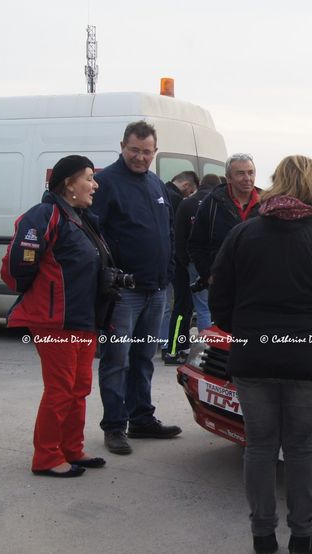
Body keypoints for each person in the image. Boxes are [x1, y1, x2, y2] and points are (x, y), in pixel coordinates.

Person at [209, 155, 312, 554]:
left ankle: (263, 536)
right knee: (299, 448)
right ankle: (302, 537)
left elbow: (219, 300)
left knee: (259, 447)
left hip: (254, 359)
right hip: (309, 362)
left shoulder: (244, 235)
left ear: (277, 184)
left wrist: (244, 331)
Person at [0, 156, 112, 477]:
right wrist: (45, 295)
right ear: (68, 184)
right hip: (56, 321)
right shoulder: (46, 214)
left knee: (79, 388)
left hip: (84, 318)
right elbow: (21, 264)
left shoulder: (82, 218)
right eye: (89, 178)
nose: (95, 185)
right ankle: (47, 457)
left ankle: (71, 449)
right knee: (60, 389)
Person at [90, 120, 182, 455]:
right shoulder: (105, 183)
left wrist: (167, 272)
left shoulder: (156, 184)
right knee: (117, 360)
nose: (140, 157)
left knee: (144, 358)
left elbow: (168, 232)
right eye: (134, 150)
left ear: (154, 152)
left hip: (156, 289)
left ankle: (141, 418)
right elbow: (92, 237)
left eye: (146, 151)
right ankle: (115, 426)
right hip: (124, 292)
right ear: (122, 146)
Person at [164, 173, 222, 363]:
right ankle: (206, 353)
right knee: (205, 309)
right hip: (212, 264)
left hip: (186, 265)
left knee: (183, 308)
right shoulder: (217, 204)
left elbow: (178, 236)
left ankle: (173, 348)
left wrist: (183, 262)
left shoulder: (187, 203)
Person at [188, 153, 261, 292]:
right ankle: (180, 315)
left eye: (251, 173)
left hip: (257, 286)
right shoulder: (211, 204)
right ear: (228, 178)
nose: (247, 178)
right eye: (240, 173)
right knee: (190, 313)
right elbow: (196, 244)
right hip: (223, 286)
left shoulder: (266, 204)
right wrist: (208, 275)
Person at [160, 170, 201, 358]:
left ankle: (176, 345)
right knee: (181, 306)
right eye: (190, 192)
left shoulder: (160, 191)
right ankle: (174, 347)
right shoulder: (177, 200)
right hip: (179, 262)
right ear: (187, 186)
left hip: (171, 259)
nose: (189, 196)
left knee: (177, 306)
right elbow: (178, 235)